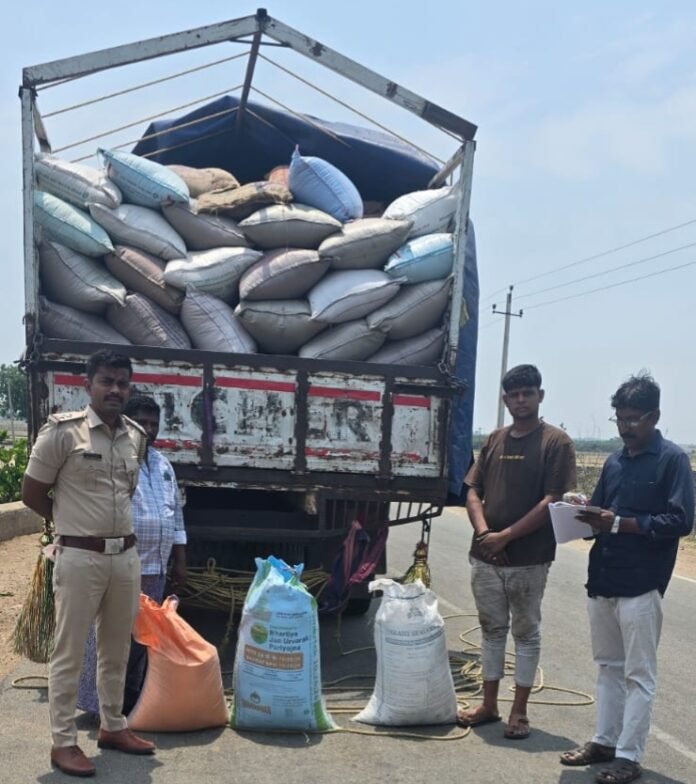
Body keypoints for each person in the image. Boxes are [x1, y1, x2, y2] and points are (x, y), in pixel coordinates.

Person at [22, 350, 156, 778]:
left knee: (117, 649)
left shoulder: (135, 436)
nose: (115, 389)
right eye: (106, 381)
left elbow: (126, 492)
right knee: (70, 652)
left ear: (129, 388)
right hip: (80, 557)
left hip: (125, 558)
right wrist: (69, 525)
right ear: (88, 385)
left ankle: (113, 726)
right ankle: (63, 742)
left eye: (122, 383)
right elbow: (32, 492)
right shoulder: (64, 432)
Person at [560, 374, 693, 784]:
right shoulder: (614, 462)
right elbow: (603, 512)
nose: (625, 426)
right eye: (619, 418)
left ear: (655, 416)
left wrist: (619, 523)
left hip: (642, 583)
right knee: (607, 667)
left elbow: (680, 521)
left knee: (638, 675)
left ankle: (629, 756)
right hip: (603, 577)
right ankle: (603, 741)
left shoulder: (672, 460)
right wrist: (582, 509)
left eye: (633, 418)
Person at [456, 364, 576, 740]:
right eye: (514, 395)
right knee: (492, 631)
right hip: (486, 556)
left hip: (529, 559)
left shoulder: (556, 442)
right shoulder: (495, 439)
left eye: (528, 393)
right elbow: (473, 491)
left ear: (540, 396)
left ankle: (519, 712)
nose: (521, 400)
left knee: (525, 634)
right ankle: (489, 705)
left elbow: (552, 500)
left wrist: (505, 537)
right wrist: (485, 534)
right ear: (505, 399)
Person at [77, 394, 188, 716]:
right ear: (126, 424)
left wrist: (180, 561)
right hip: (119, 566)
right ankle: (97, 706)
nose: (149, 429)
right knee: (109, 638)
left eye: (154, 424)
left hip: (155, 568)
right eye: (142, 423)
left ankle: (129, 699)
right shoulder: (111, 459)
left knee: (143, 640)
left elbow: (176, 516)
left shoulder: (163, 465)